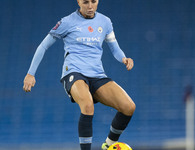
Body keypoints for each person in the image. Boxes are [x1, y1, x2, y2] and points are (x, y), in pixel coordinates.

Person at [23, 0, 136, 149]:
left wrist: (124, 58)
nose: (90, 6)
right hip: (73, 72)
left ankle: (108, 145)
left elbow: (115, 48)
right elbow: (43, 46)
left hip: (97, 75)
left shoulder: (105, 21)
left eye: (93, 1)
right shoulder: (67, 22)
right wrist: (30, 74)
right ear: (78, 1)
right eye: (85, 2)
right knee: (88, 105)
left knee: (128, 107)